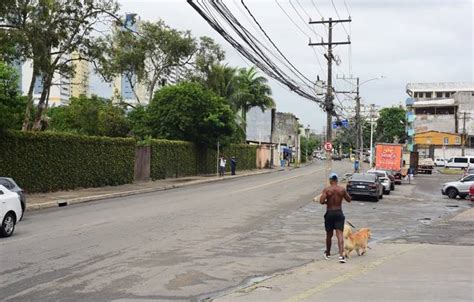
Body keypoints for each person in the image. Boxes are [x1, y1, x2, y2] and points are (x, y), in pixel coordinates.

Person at [319, 173, 352, 263]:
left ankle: (328, 253)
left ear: (330, 180)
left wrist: (327, 202)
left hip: (329, 213)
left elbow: (321, 201)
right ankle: (341, 255)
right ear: (337, 180)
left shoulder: (327, 190)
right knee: (340, 234)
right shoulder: (342, 189)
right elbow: (349, 199)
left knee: (329, 235)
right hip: (338, 213)